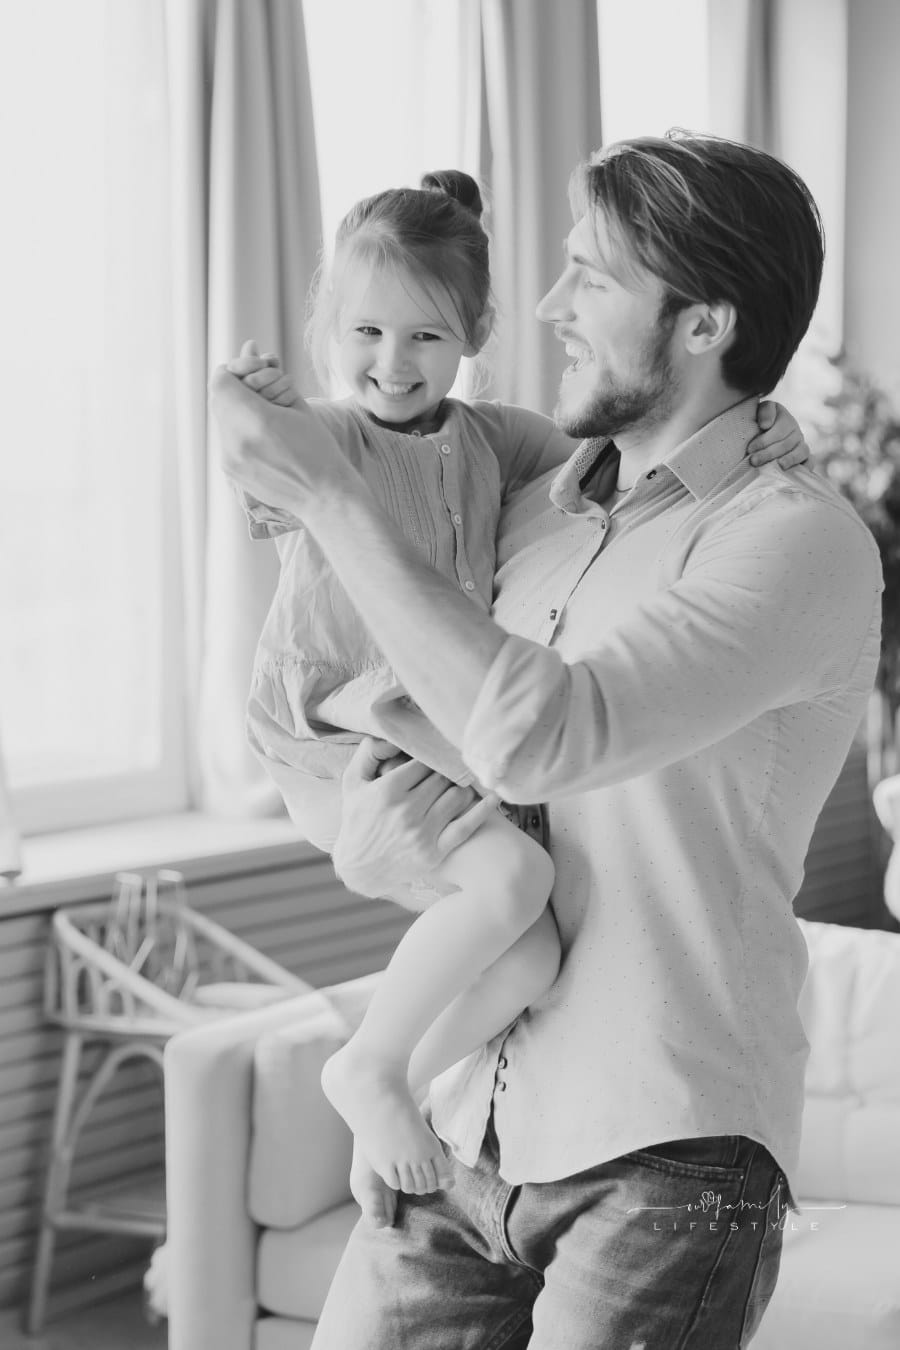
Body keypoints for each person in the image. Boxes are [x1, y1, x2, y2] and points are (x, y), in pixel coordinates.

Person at [209, 133, 875, 1347]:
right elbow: (392, 692)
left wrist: (328, 499)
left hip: (665, 1151)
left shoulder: (795, 545)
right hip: (461, 1122)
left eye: (595, 282)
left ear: (704, 324)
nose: (553, 309)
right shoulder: (534, 492)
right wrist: (369, 847)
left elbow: (537, 738)